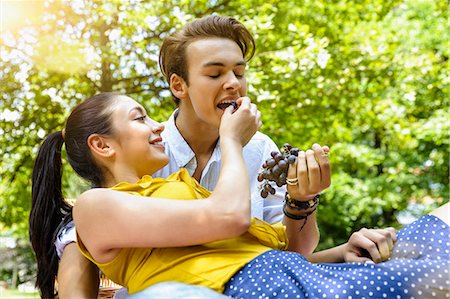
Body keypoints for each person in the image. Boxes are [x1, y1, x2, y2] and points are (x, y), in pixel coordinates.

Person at [33, 92, 449, 299]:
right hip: (260, 287)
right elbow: (229, 223)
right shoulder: (95, 207)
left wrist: (340, 248)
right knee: (440, 278)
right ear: (102, 146)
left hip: (282, 276)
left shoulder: (176, 189)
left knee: (438, 231)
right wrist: (230, 141)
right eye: (139, 118)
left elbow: (252, 256)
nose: (157, 124)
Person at [50, 15, 331, 297]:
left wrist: (302, 201)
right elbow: (82, 240)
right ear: (178, 85)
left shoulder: (259, 149)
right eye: (214, 74)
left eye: (239, 73)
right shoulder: (146, 154)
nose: (233, 83)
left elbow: (287, 253)